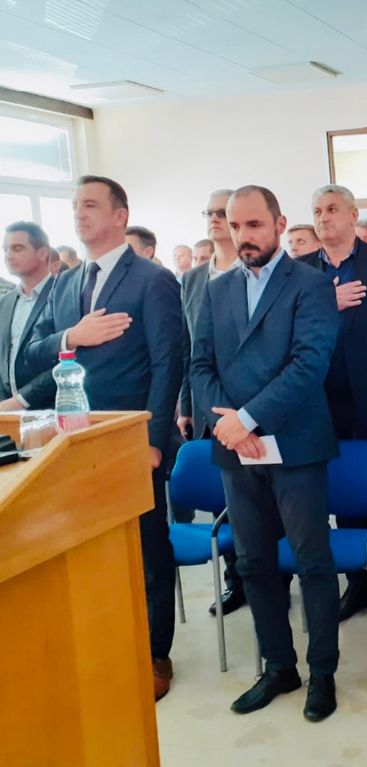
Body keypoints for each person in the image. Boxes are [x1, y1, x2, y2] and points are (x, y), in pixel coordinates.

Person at [26, 175, 183, 702]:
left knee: (147, 548)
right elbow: (35, 351)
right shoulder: (66, 282)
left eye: (91, 205)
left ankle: (155, 652)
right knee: (91, 547)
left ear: (120, 215)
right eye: (75, 205)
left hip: (131, 435)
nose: (79, 213)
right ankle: (109, 637)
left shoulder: (152, 280)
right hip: (74, 437)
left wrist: (154, 439)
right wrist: (72, 336)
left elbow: (168, 363)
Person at [190, 185, 341, 722]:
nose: (243, 236)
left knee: (312, 562)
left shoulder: (311, 284)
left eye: (254, 224)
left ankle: (322, 673)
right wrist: (228, 426)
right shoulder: (217, 289)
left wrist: (248, 418)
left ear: (279, 224)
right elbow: (199, 365)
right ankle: (279, 666)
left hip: (294, 445)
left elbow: (309, 364)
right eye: (236, 226)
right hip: (237, 450)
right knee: (253, 564)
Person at [299, 184, 367, 627]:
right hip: (321, 402)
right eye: (317, 211)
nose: (323, 217)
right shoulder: (301, 270)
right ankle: (356, 585)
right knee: (341, 494)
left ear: (352, 215)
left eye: (332, 209)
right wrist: (328, 303)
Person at [179, 190, 249, 615]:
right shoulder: (192, 280)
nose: (215, 219)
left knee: (262, 504)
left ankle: (270, 577)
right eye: (210, 212)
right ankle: (235, 580)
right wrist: (186, 406)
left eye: (223, 213)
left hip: (251, 409)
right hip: (207, 405)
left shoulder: (258, 270)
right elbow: (189, 349)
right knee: (224, 499)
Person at [0, 222, 56, 410]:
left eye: (17, 248)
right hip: (8, 412)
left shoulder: (62, 294)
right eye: (5, 249)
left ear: (42, 253)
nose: (8, 256)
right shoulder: (5, 302)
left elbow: (68, 356)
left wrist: (22, 400)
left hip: (53, 407)